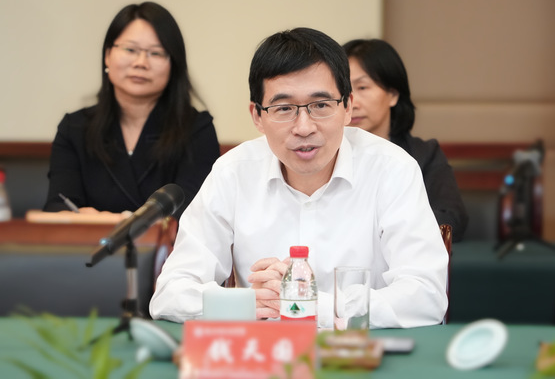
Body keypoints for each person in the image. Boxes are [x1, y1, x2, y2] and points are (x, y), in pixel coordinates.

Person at [150, 27, 448, 329]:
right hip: (265, 353)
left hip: (356, 352)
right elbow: (170, 293)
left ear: (347, 107)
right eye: (284, 108)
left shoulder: (392, 169)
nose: (304, 127)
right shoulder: (233, 173)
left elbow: (426, 297)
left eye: (320, 105)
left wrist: (308, 304)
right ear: (257, 116)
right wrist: (247, 303)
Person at [43, 2, 220, 218]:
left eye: (156, 53)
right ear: (107, 55)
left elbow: (192, 215)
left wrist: (110, 221)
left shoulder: (196, 129)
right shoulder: (74, 129)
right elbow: (58, 207)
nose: (140, 62)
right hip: (91, 242)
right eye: (130, 50)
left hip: (167, 243)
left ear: (173, 65)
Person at [343, 39, 468, 241]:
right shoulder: (324, 154)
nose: (352, 102)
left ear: (392, 94)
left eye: (363, 87)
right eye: (344, 90)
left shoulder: (424, 154)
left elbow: (451, 219)